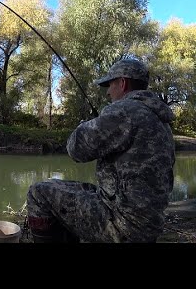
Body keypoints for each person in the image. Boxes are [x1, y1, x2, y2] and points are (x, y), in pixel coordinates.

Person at [26, 58, 175, 243]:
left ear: (122, 83)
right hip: (149, 223)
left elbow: (76, 150)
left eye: (110, 85)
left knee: (38, 193)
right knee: (80, 189)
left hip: (124, 226)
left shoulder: (124, 111)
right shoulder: (161, 120)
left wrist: (84, 126)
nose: (108, 93)